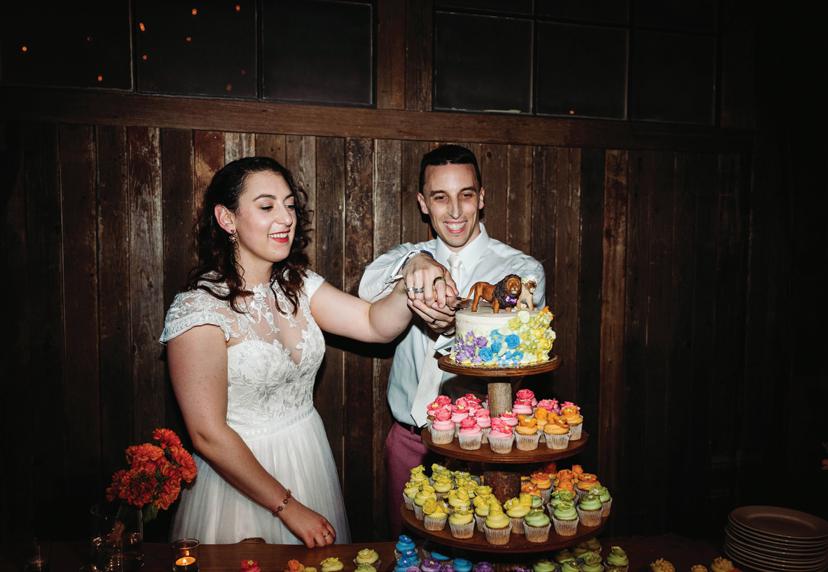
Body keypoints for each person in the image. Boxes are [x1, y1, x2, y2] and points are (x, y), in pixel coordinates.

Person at [160, 157, 414, 547]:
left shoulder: (299, 285)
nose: (286, 218)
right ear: (227, 219)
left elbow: (374, 324)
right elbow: (207, 433)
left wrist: (413, 281)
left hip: (307, 455)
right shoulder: (199, 310)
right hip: (241, 479)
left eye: (290, 205)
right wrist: (288, 507)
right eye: (267, 206)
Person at [358, 144, 547, 535]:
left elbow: (511, 344)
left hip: (479, 447)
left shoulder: (520, 270)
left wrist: (453, 328)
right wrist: (414, 262)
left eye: (466, 195)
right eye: (440, 197)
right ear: (423, 204)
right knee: (405, 547)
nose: (456, 211)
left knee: (477, 548)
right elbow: (367, 287)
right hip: (408, 442)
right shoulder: (411, 257)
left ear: (482, 198)